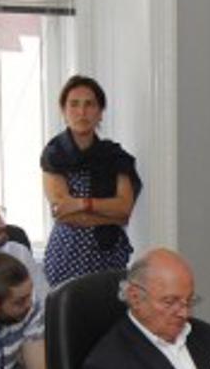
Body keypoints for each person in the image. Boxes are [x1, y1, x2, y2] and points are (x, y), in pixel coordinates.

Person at [40, 75, 141, 287]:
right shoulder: (54, 155)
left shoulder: (116, 157)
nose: (82, 112)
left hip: (109, 257)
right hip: (66, 257)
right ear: (63, 111)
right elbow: (64, 213)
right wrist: (109, 214)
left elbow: (124, 209)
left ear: (100, 112)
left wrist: (81, 204)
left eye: (89, 104)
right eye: (74, 104)